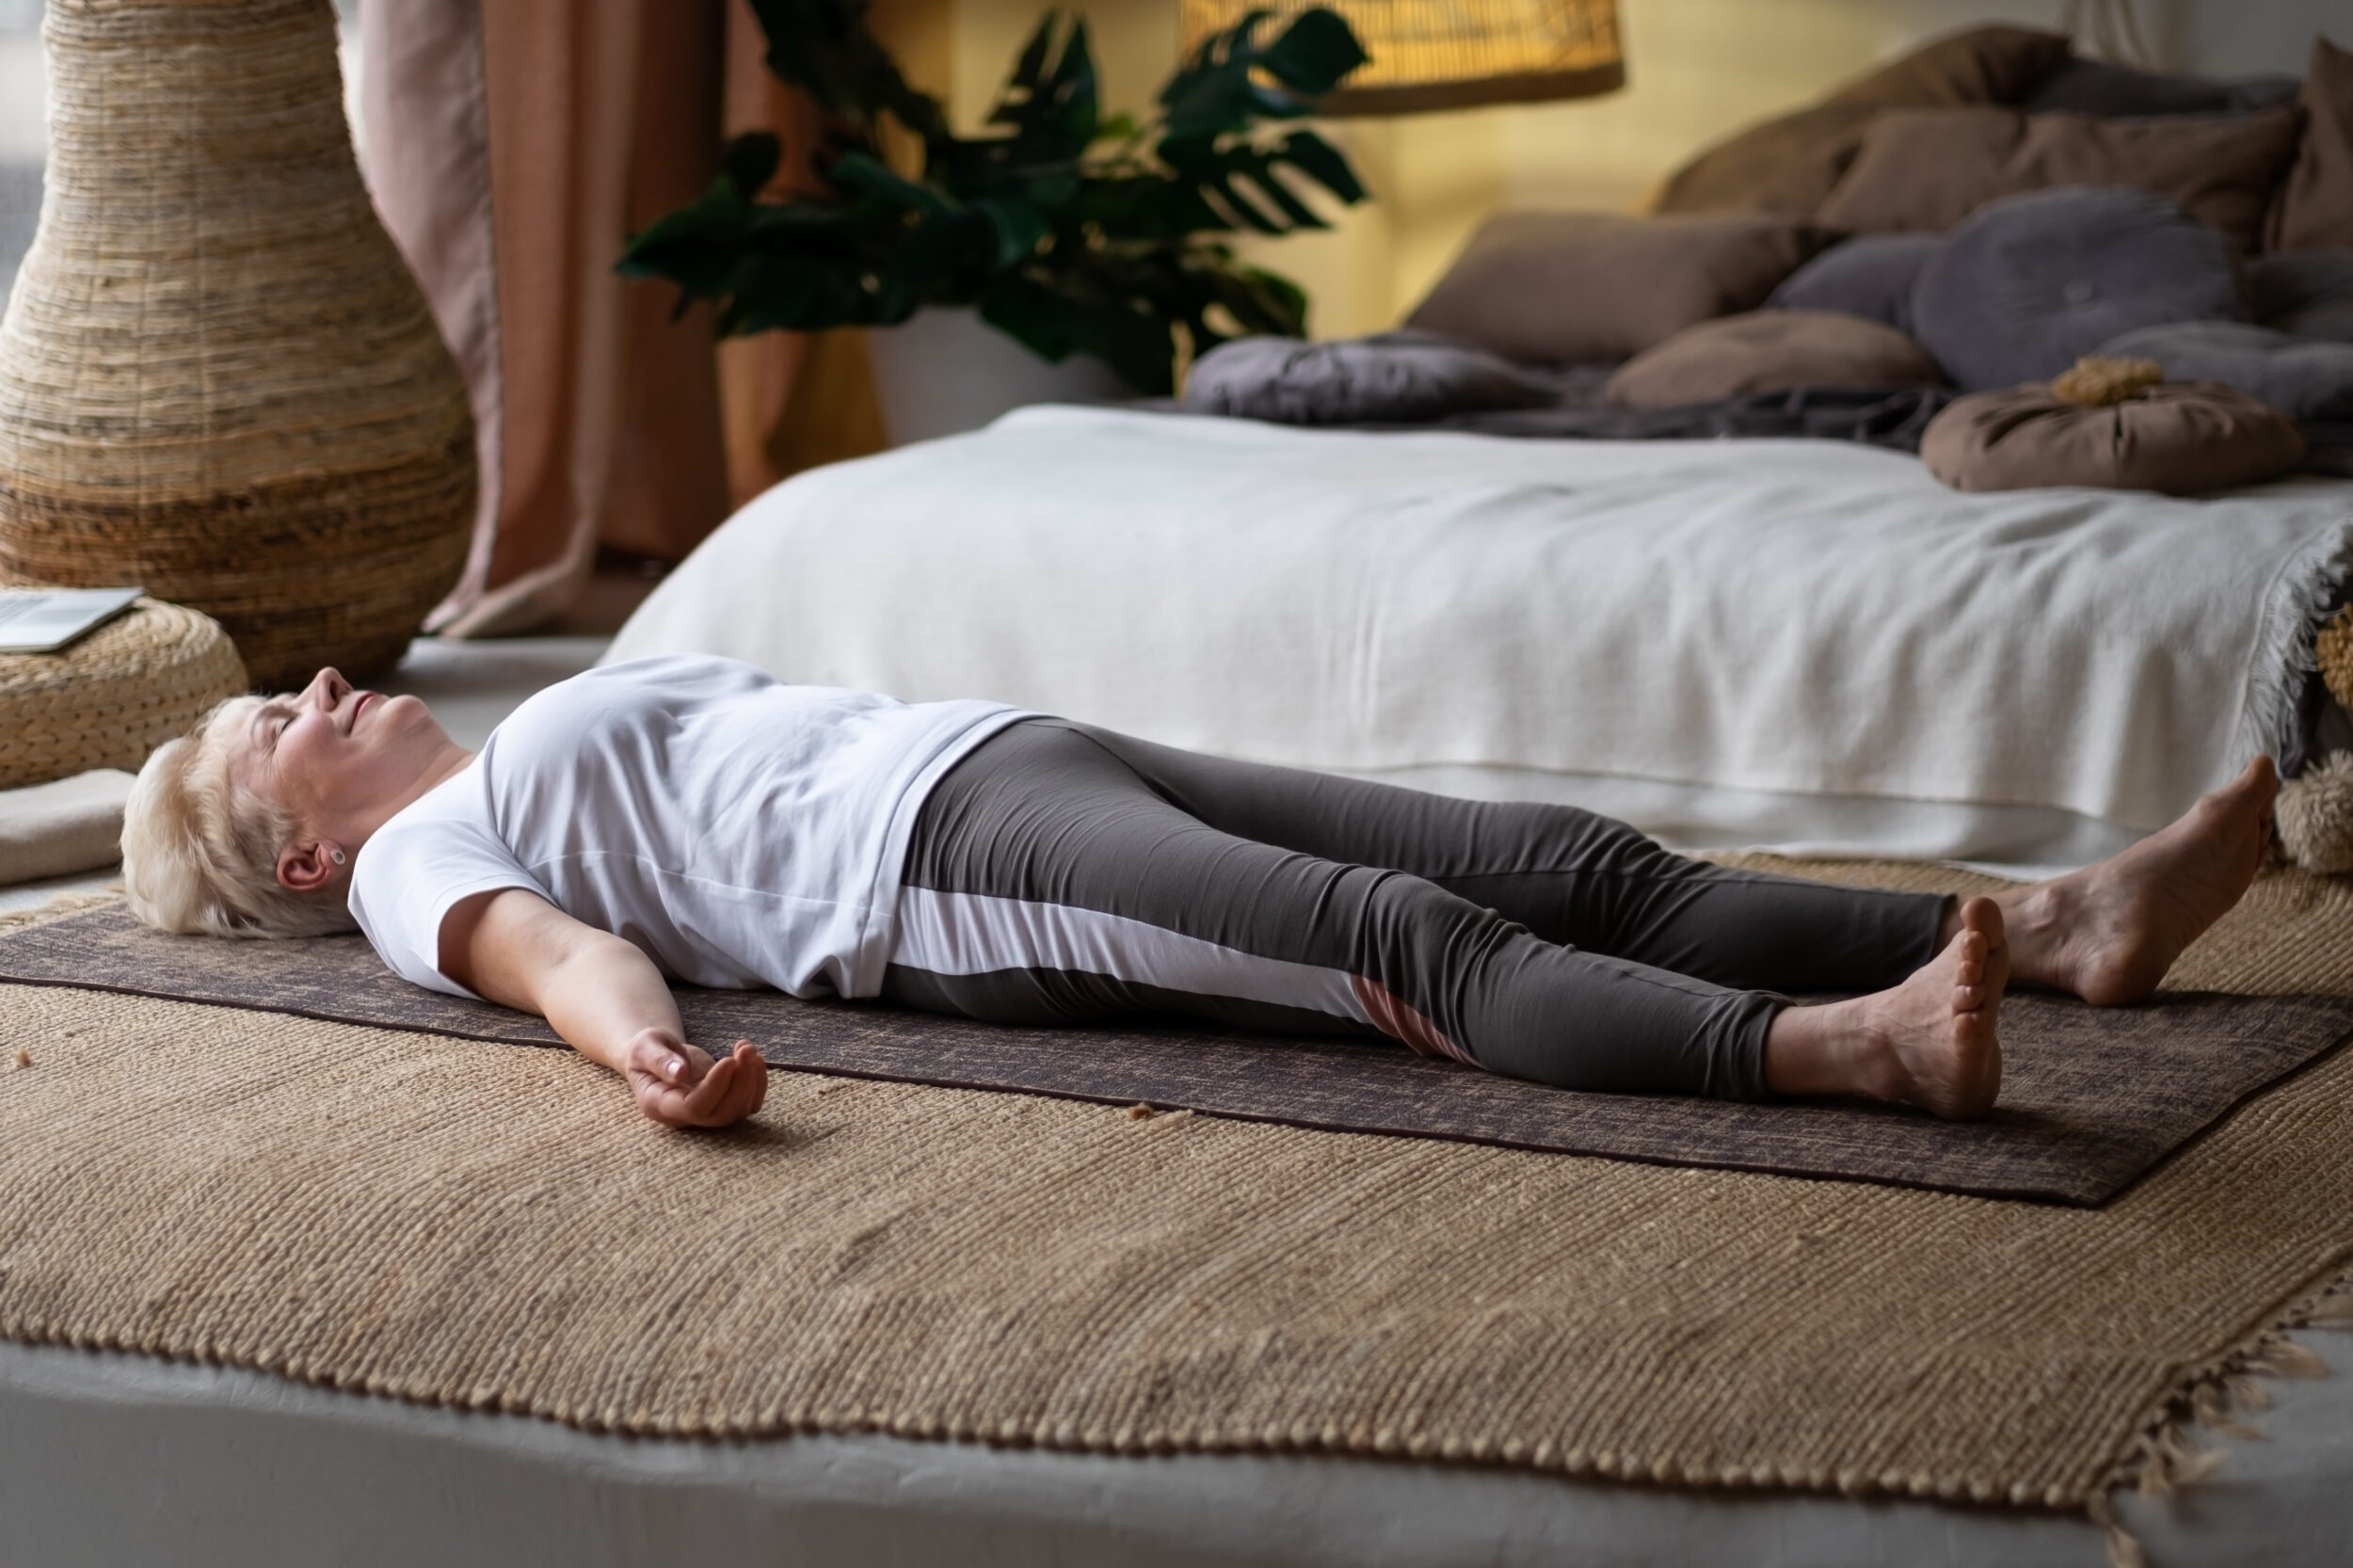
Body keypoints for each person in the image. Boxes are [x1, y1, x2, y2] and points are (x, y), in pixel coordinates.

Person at [120, 656, 2278, 1131]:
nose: (317, 691)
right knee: (1404, 952)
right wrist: (645, 1055)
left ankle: (2057, 930)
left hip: (1002, 755)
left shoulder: (489, 742)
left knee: (1562, 859)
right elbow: (557, 955)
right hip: (940, 877)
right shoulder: (417, 871)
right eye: (272, 726)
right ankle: (1840, 1053)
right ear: (303, 853)